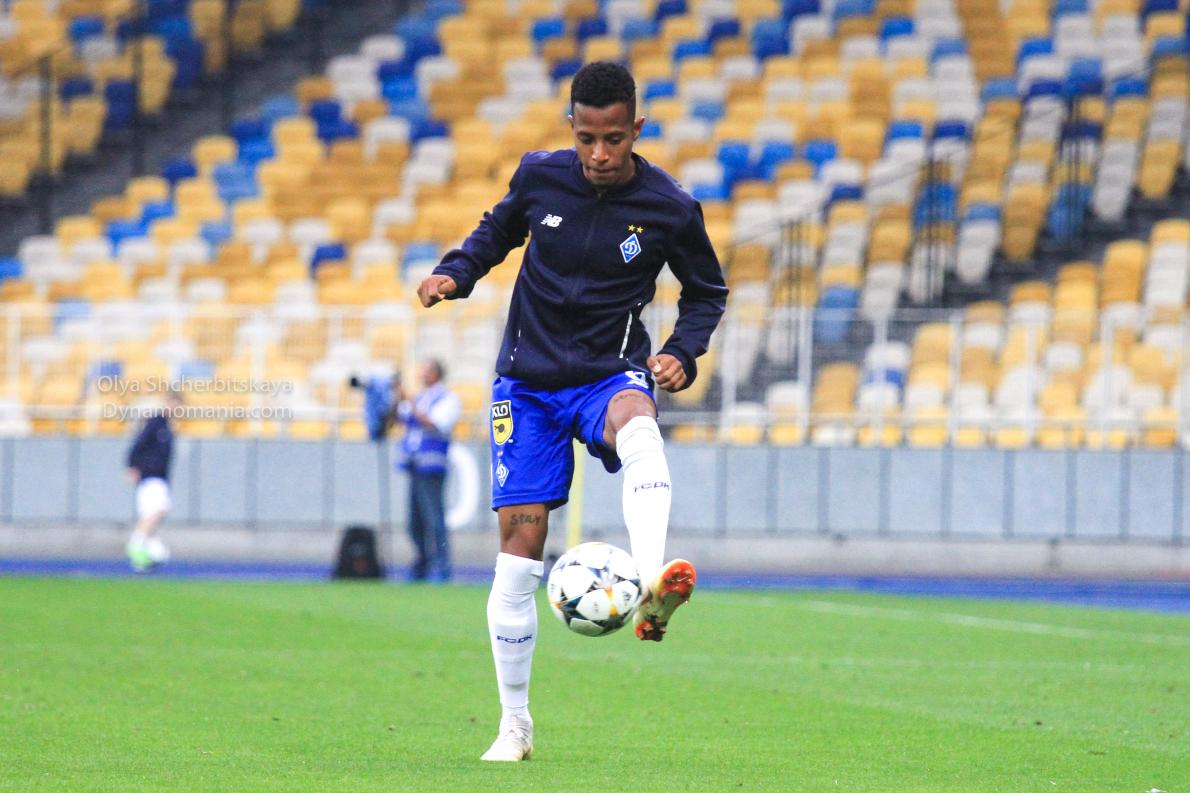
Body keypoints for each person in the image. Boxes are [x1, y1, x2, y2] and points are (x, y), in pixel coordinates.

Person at [416, 61, 728, 761]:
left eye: (614, 139)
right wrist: (455, 272)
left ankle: (650, 580)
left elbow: (707, 291)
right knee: (517, 561)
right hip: (526, 386)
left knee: (639, 421)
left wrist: (682, 351)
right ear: (572, 128)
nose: (599, 154)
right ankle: (515, 726)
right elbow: (495, 233)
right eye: (587, 138)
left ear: (636, 129)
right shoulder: (540, 176)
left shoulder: (670, 207)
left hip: (607, 373)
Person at [391, 359, 462, 582]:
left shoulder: (447, 398)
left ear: (436, 373)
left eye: (426, 369)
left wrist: (409, 401)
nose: (421, 373)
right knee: (414, 521)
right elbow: (398, 419)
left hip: (432, 464)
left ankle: (442, 566)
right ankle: (421, 562)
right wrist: (397, 396)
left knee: (434, 517)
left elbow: (434, 422)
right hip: (414, 464)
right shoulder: (420, 397)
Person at [125, 391, 181, 572]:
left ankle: (144, 555)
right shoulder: (156, 422)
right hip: (151, 475)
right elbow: (139, 444)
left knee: (151, 513)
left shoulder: (167, 426)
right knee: (159, 508)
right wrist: (132, 466)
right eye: (176, 406)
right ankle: (137, 543)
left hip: (159, 476)